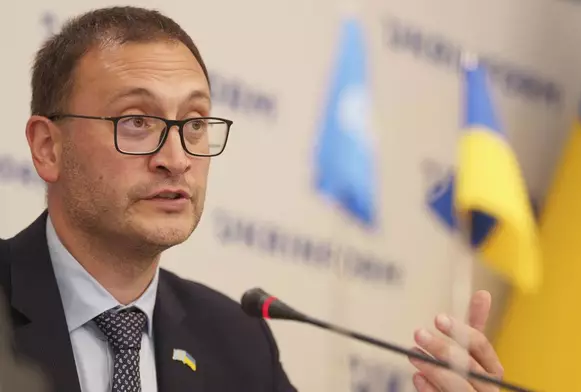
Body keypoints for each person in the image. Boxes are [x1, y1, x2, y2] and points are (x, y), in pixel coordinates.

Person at [0, 6, 504, 392]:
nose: (175, 158)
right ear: (49, 147)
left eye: (194, 124)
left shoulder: (237, 342)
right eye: (138, 122)